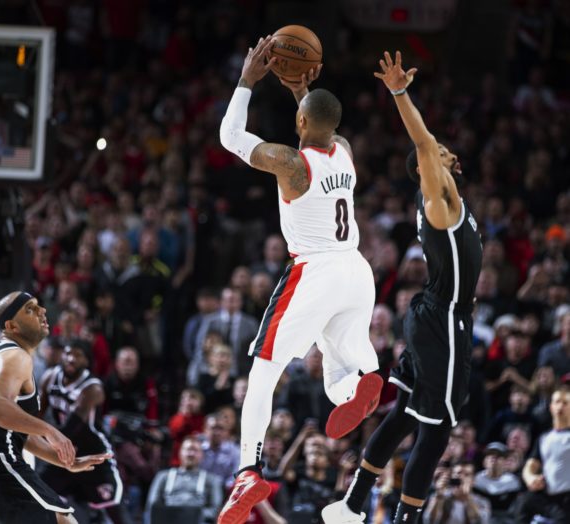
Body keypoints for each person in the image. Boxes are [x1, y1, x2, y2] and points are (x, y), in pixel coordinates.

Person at [217, 36, 383, 524]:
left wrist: (249, 79)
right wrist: (300, 93)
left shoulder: (292, 165)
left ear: (299, 124)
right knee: (335, 378)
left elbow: (230, 135)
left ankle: (248, 469)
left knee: (263, 371)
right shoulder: (346, 152)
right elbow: (320, 123)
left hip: (315, 271)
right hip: (357, 270)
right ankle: (363, 380)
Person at [322, 51, 483, 524]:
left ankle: (352, 503)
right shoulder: (438, 200)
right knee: (434, 432)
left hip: (431, 312)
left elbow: (427, 143)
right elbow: (424, 141)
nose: (446, 151)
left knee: (404, 413)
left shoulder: (448, 200)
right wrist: (399, 93)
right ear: (427, 169)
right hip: (444, 320)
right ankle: (404, 519)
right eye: (437, 154)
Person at [0, 291, 111, 523]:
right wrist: (50, 431)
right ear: (12, 326)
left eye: (39, 306)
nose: (42, 311)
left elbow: (14, 430)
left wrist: (67, 462)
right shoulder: (15, 355)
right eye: (30, 309)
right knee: (64, 521)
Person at [39, 339, 124, 522]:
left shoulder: (92, 387)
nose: (71, 359)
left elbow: (72, 427)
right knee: (39, 499)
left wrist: (40, 443)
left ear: (87, 361)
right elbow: (36, 415)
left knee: (114, 510)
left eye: (77, 355)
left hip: (93, 453)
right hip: (63, 452)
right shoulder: (49, 377)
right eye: (68, 353)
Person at [516, 385, 570, 523]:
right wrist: (530, 478)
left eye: (565, 403)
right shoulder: (544, 438)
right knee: (524, 503)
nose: (560, 406)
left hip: (567, 498)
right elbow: (531, 464)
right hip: (548, 496)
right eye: (557, 402)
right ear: (551, 407)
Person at [145, 436, 223, 524]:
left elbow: (215, 509)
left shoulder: (212, 480)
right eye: (188, 450)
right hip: (168, 520)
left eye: (195, 450)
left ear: (202, 455)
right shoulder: (163, 476)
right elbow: (153, 505)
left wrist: (190, 515)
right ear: (180, 453)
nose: (191, 454)